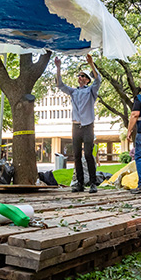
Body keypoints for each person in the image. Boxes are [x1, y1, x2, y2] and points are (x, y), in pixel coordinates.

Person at [54, 54, 101, 193]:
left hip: (87, 126)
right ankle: (79, 183)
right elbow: (60, 85)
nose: (79, 77)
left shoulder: (91, 90)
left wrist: (91, 64)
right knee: (76, 156)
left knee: (88, 154)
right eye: (79, 75)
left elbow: (98, 80)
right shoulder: (74, 92)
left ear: (87, 80)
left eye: (82, 76)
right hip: (75, 127)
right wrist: (58, 67)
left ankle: (93, 183)